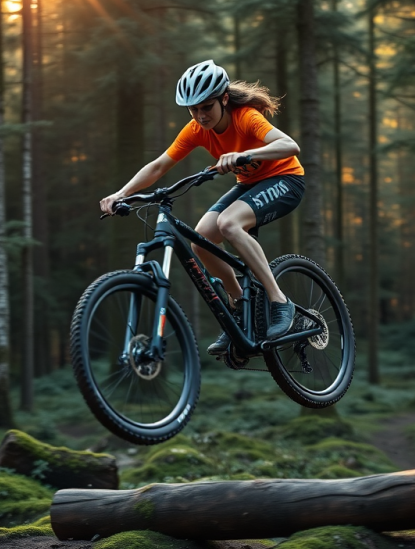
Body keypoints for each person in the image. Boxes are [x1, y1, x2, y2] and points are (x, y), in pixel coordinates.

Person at [100, 59, 305, 355]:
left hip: (286, 180)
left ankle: (279, 300)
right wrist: (121, 193)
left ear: (223, 98)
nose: (200, 115)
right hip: (249, 184)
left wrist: (244, 154)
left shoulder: (246, 117)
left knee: (228, 224)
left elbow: (290, 146)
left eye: (206, 107)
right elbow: (159, 166)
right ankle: (238, 304)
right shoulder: (196, 128)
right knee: (202, 240)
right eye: (193, 110)